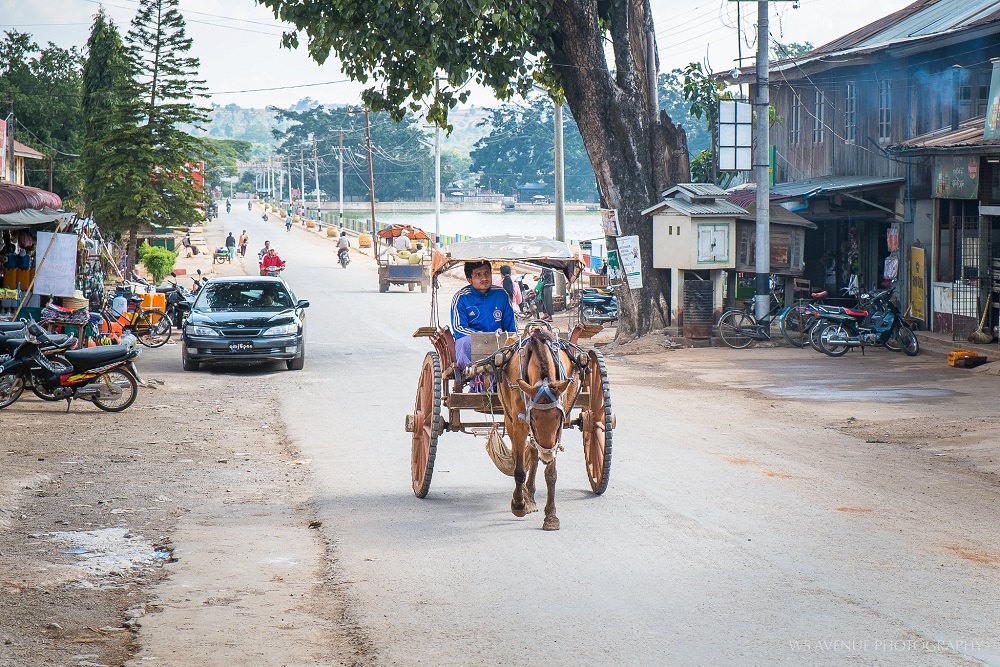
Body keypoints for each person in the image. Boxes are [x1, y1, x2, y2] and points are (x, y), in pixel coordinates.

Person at [451, 260, 517, 374]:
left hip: (498, 341)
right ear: (469, 279)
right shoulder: (461, 298)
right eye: (478, 275)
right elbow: (459, 328)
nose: (484, 278)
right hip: (473, 342)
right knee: (463, 343)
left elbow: (511, 327)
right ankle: (473, 377)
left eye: (487, 273)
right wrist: (480, 336)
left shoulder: (502, 295)